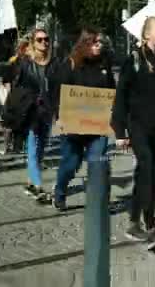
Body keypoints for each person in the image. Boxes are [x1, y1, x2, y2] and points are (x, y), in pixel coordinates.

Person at [111, 16, 155, 248]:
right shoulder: (134, 60)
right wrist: (120, 130)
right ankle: (150, 225)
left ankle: (133, 222)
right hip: (138, 125)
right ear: (147, 34)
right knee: (148, 167)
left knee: (143, 173)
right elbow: (120, 96)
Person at [52, 28, 115, 211]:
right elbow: (59, 94)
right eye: (95, 42)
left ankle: (99, 201)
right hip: (74, 125)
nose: (99, 46)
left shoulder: (105, 64)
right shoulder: (70, 65)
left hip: (98, 125)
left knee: (97, 162)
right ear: (85, 43)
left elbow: (112, 90)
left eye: (100, 42)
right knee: (71, 162)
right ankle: (60, 191)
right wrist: (59, 116)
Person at [6, 28, 59, 199]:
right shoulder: (24, 63)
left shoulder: (55, 63)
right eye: (40, 40)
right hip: (30, 112)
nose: (44, 42)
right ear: (33, 43)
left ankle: (30, 182)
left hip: (47, 111)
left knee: (41, 149)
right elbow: (10, 82)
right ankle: (38, 185)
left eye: (46, 39)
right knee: (33, 148)